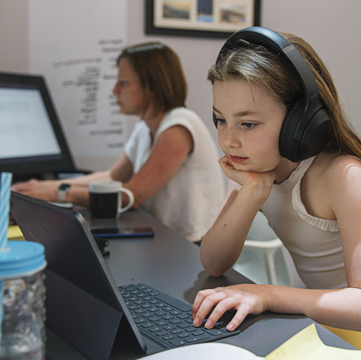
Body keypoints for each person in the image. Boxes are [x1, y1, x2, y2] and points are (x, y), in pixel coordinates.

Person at [191, 27, 361, 359]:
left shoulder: (341, 176)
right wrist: (253, 192)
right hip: (341, 312)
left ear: (299, 122)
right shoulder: (252, 164)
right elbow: (214, 262)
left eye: (248, 124)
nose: (229, 140)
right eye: (220, 120)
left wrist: (268, 294)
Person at [12, 42, 224, 242]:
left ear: (151, 86)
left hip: (191, 246)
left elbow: (131, 195)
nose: (114, 90)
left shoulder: (179, 125)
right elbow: (112, 177)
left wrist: (56, 193)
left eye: (123, 83)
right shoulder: (145, 127)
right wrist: (44, 186)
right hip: (163, 238)